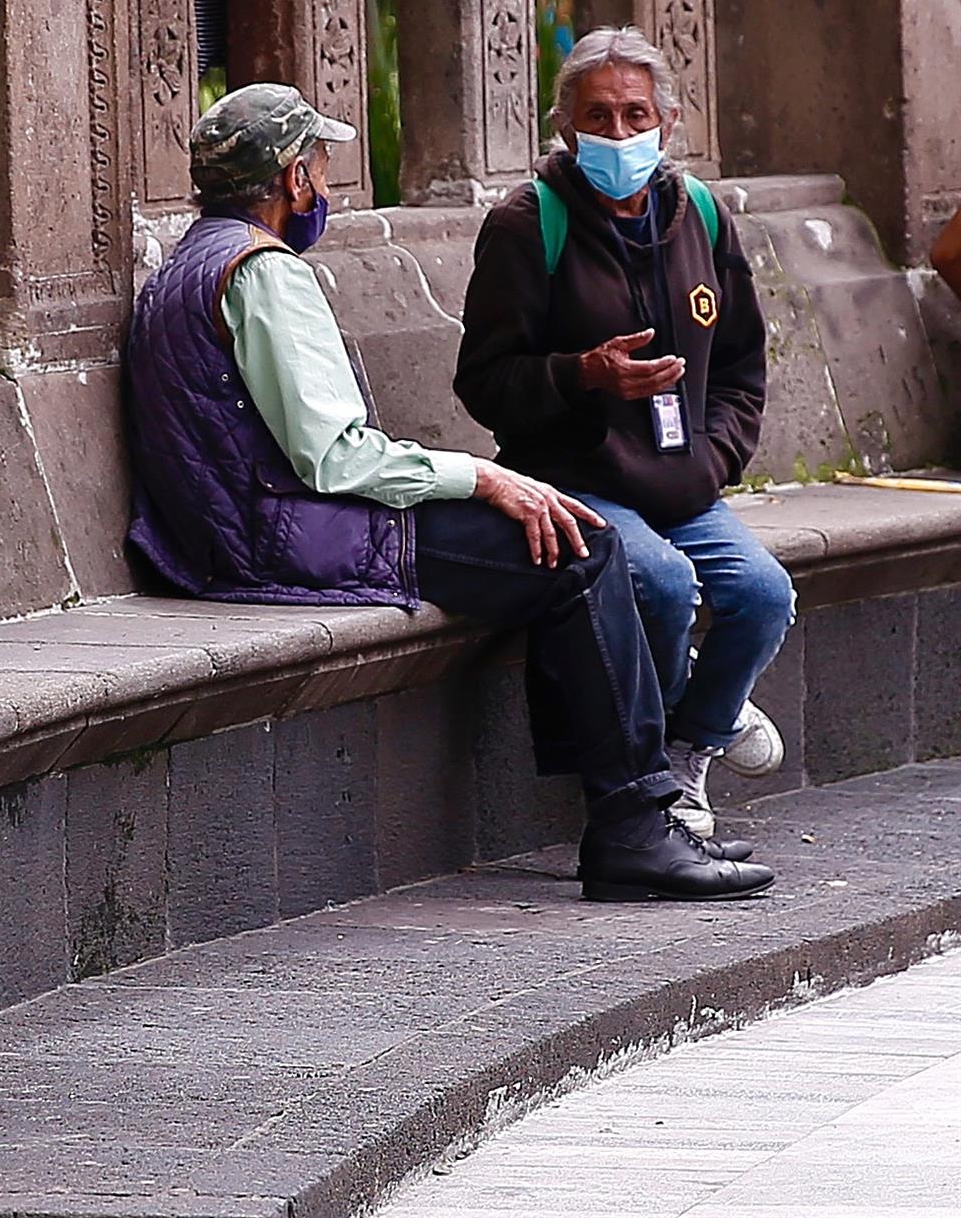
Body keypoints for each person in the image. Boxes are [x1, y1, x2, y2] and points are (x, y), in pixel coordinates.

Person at [124, 82, 774, 902]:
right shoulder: (264, 273)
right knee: (582, 548)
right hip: (281, 530)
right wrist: (484, 475)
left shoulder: (195, 255)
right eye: (320, 168)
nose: (325, 187)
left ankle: (640, 810)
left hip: (237, 521)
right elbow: (334, 458)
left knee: (561, 533)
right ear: (291, 180)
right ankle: (633, 823)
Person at [456, 27, 794, 845]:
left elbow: (745, 363)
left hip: (684, 479)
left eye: (635, 115)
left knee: (762, 594)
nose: (618, 134)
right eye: (599, 118)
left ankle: (689, 746)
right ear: (566, 127)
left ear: (666, 124)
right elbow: (483, 382)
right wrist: (584, 374)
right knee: (664, 583)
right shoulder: (526, 223)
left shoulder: (700, 215)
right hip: (578, 476)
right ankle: (654, 775)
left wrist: (712, 457)